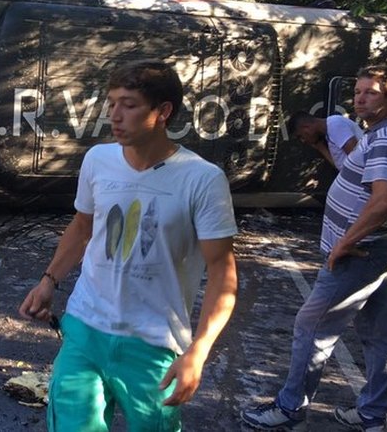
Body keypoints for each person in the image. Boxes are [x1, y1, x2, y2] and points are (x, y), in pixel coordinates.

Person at [19, 60, 238, 431]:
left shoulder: (202, 179)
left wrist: (198, 351)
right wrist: (49, 281)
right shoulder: (98, 160)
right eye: (111, 103)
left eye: (129, 104)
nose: (114, 116)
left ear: (163, 111)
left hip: (154, 345)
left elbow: (222, 271)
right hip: (85, 328)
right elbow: (82, 226)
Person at [241, 65, 387, 432]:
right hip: (375, 249)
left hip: (360, 254)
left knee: (311, 327)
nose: (360, 98)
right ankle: (372, 415)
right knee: (377, 334)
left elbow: (386, 200)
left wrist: (346, 242)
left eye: (370, 92)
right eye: (357, 91)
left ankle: (290, 410)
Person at [288, 111, 363, 169]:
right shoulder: (329, 133)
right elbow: (340, 165)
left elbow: (358, 158)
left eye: (301, 136)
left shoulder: (335, 125)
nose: (303, 141)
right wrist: (321, 148)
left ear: (306, 127)